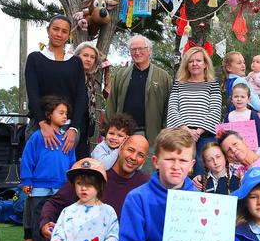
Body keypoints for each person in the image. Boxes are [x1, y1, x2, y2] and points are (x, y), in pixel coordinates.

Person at [40, 135, 150, 240]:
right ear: (121, 148)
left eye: (140, 155)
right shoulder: (94, 174)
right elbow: (54, 203)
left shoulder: (146, 184)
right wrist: (46, 223)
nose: (133, 157)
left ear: (144, 160)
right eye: (130, 150)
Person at [106, 35, 172, 173]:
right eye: (133, 49)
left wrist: (165, 133)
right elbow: (112, 102)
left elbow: (168, 106)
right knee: (120, 171)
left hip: (150, 134)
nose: (137, 52)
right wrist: (108, 129)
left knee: (146, 174)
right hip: (123, 133)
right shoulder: (121, 74)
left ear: (149, 51)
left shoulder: (163, 76)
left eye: (141, 48)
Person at [25, 15, 89, 159]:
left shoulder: (75, 62)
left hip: (68, 129)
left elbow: (81, 97)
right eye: (55, 29)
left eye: (64, 31)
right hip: (39, 126)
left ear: (69, 35)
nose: (59, 34)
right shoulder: (35, 59)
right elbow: (33, 94)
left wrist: (74, 129)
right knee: (38, 172)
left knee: (65, 174)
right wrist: (43, 124)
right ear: (48, 30)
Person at [20, 96, 76, 241]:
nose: (65, 116)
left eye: (66, 113)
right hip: (39, 186)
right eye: (61, 113)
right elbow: (27, 158)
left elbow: (72, 161)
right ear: (49, 114)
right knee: (38, 216)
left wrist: (73, 182)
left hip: (61, 186)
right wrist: (26, 180)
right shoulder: (38, 137)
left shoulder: (67, 138)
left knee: (59, 216)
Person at [167, 47, 222, 176]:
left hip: (205, 133)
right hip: (181, 132)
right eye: (191, 61)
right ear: (186, 64)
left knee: (202, 168)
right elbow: (173, 109)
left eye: (198, 60)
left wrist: (198, 131)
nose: (195, 64)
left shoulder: (212, 85)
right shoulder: (179, 84)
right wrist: (186, 129)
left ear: (205, 64)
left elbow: (215, 110)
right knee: (178, 168)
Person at [74, 41, 104, 151]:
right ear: (77, 56)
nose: (89, 59)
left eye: (92, 57)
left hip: (85, 131)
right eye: (85, 55)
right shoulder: (70, 77)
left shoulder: (91, 80)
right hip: (70, 129)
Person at [224, 83, 260, 148]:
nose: (239, 99)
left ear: (248, 99)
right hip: (233, 151)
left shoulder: (253, 115)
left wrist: (259, 149)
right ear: (231, 99)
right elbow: (225, 136)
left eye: (242, 97)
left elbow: (258, 133)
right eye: (236, 96)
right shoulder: (228, 116)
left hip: (251, 150)